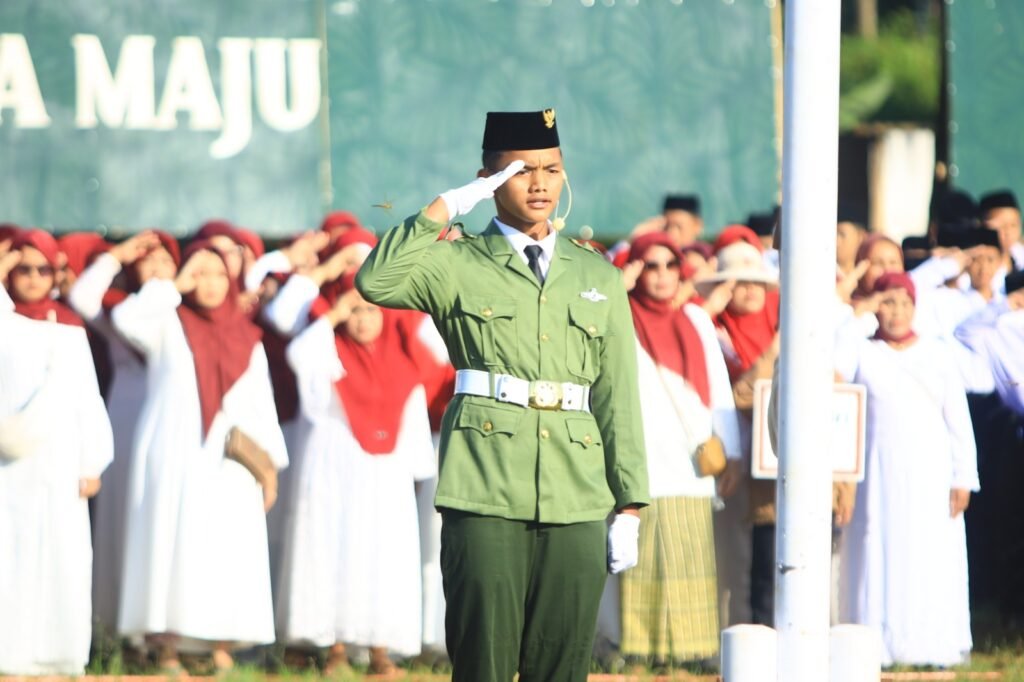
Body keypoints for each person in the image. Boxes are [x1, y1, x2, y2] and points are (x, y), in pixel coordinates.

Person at [355, 109, 650, 682]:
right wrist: (446, 207)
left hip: (577, 492)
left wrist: (631, 504)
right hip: (485, 486)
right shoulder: (455, 262)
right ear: (487, 178)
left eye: (551, 169)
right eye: (520, 171)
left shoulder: (597, 276)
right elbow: (376, 281)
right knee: (483, 662)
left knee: (562, 665)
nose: (539, 183)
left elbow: (617, 396)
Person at [112, 242, 287, 671]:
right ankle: (167, 647)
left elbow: (261, 405)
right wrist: (174, 283)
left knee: (225, 544)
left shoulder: (246, 335)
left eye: (218, 275)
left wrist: (268, 470)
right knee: (171, 542)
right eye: (200, 273)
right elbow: (125, 319)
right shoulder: (166, 322)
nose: (209, 284)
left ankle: (219, 646)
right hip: (174, 451)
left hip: (231, 458)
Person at [276, 274, 435, 674]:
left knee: (383, 554)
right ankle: (336, 649)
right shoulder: (328, 350)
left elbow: (413, 415)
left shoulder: (401, 358)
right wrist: (333, 314)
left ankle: (380, 650)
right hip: (335, 464)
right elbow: (298, 355)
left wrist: (417, 471)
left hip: (386, 473)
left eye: (371, 310)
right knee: (334, 549)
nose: (363, 319)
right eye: (355, 310)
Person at [604, 232, 741, 666]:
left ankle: (693, 651)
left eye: (669, 265)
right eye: (651, 265)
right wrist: (618, 288)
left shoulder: (695, 318)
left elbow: (718, 387)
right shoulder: (618, 314)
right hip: (641, 456)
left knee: (690, 555)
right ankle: (641, 650)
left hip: (691, 459)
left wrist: (733, 451)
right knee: (641, 557)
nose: (662, 275)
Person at [835, 272, 978, 666]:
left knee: (927, 553)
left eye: (903, 304)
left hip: (930, 475)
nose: (896, 312)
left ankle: (928, 646)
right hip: (875, 476)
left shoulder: (937, 352)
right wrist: (860, 315)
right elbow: (833, 374)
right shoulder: (862, 350)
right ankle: (874, 647)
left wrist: (963, 477)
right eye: (887, 303)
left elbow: (957, 420)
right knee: (875, 549)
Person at [0, 249, 114, 675]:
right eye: (22, 269)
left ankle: (55, 656)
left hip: (61, 461)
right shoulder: (5, 323)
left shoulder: (69, 328)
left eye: (42, 268)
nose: (32, 277)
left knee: (61, 555)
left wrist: (92, 462)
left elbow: (87, 397)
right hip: (9, 465)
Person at [67, 230, 181, 635]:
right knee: (123, 511)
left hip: (175, 419)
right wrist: (116, 255)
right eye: (148, 261)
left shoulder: (188, 309)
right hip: (127, 414)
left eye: (166, 261)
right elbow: (82, 298)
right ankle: (116, 623)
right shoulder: (120, 308)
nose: (158, 269)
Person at [698, 240, 779, 627]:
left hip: (771, 456)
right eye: (740, 283)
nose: (751, 290)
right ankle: (730, 631)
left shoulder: (777, 329)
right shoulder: (714, 333)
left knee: (766, 552)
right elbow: (739, 392)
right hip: (731, 453)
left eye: (757, 282)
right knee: (731, 549)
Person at [978, 189, 1023, 274]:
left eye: (1013, 225)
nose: (1008, 232)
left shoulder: (1020, 256)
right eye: (1001, 226)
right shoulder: (969, 264)